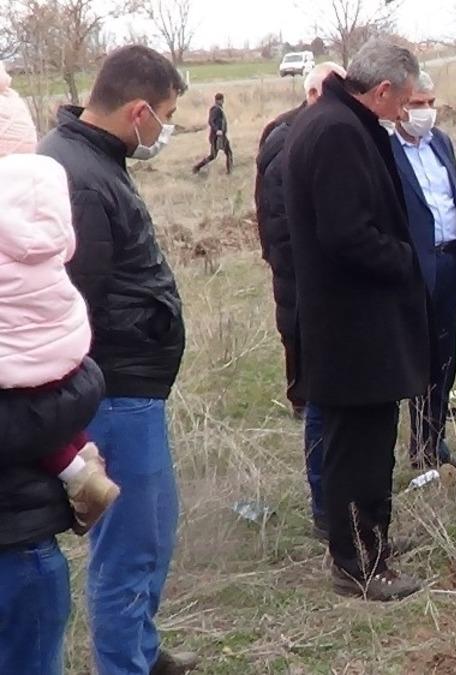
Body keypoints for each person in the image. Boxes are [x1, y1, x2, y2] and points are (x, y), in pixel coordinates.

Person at [37, 45, 198, 674]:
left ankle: (141, 651)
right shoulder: (77, 176)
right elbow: (78, 308)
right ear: (138, 112)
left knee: (151, 530)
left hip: (134, 387)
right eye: (166, 116)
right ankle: (124, 664)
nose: (165, 129)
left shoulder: (93, 158)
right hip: (114, 391)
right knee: (128, 547)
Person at [283, 38, 429, 601]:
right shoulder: (337, 132)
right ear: (383, 89)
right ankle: (358, 564)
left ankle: (374, 540)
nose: (406, 110)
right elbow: (346, 234)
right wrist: (405, 259)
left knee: (369, 441)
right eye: (404, 100)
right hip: (353, 324)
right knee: (357, 448)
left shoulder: (337, 120)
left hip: (354, 321)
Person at [0, 61, 106, 674]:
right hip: (17, 543)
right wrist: (73, 392)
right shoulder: (45, 227)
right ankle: (73, 461)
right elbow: (75, 373)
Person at [254, 61, 344, 541]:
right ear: (311, 94)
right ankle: (324, 508)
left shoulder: (324, 134)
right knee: (317, 398)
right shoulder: (286, 142)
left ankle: (340, 502)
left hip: (325, 292)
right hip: (305, 292)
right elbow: (282, 230)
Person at [388, 71, 456, 473]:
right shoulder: (385, 152)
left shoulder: (441, 143)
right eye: (416, 104)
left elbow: (452, 201)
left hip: (448, 263)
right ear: (399, 106)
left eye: (430, 103)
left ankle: (434, 441)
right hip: (412, 270)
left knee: (446, 358)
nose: (425, 111)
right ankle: (418, 448)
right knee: (417, 360)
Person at [192, 92, 232, 175]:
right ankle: (197, 167)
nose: (223, 102)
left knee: (222, 153)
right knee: (217, 155)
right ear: (219, 100)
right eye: (222, 100)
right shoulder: (216, 109)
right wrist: (217, 130)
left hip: (220, 136)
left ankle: (229, 171)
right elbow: (211, 121)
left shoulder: (218, 108)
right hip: (216, 137)